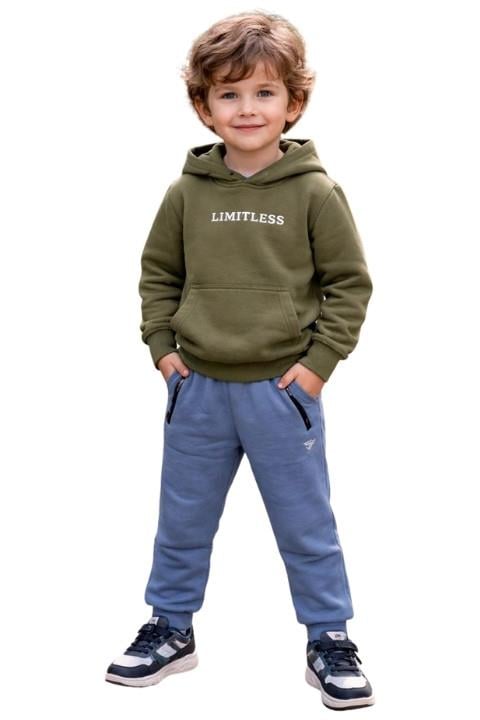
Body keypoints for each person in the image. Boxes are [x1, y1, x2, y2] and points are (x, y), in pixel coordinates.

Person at [105, 10, 375, 711]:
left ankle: (329, 637)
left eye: (264, 92)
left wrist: (316, 367)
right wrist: (163, 351)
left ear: (294, 102)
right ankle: (170, 628)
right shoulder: (185, 194)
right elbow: (158, 276)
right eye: (228, 93)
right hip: (197, 390)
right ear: (204, 106)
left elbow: (349, 284)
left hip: (281, 394)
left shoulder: (315, 192)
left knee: (305, 524)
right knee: (182, 520)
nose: (247, 108)